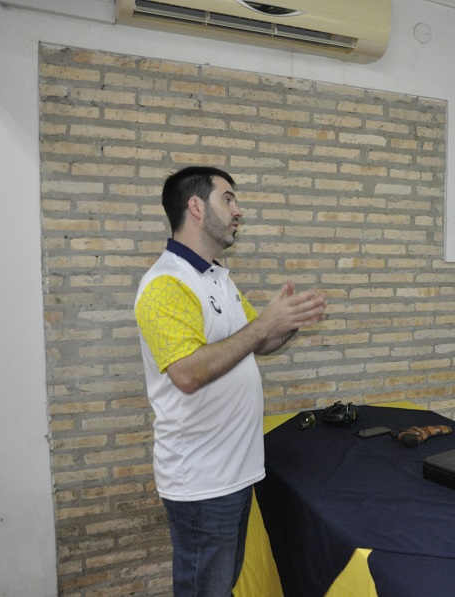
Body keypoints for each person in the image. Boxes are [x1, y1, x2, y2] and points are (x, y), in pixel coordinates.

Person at [134, 166, 328, 596]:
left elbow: (255, 344)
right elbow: (188, 373)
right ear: (196, 206)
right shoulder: (167, 284)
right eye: (228, 199)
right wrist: (264, 325)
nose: (238, 210)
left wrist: (287, 323)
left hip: (234, 472)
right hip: (201, 482)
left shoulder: (217, 277)